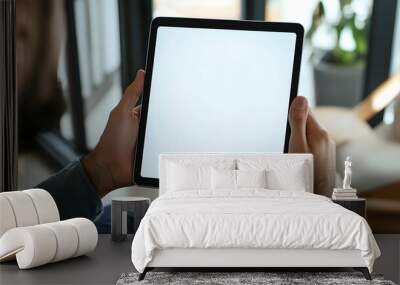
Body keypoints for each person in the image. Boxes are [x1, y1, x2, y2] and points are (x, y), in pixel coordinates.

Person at [37, 69, 336, 224]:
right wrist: (311, 206)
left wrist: (101, 170)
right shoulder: (117, 227)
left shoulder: (123, 227)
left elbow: (15, 233)